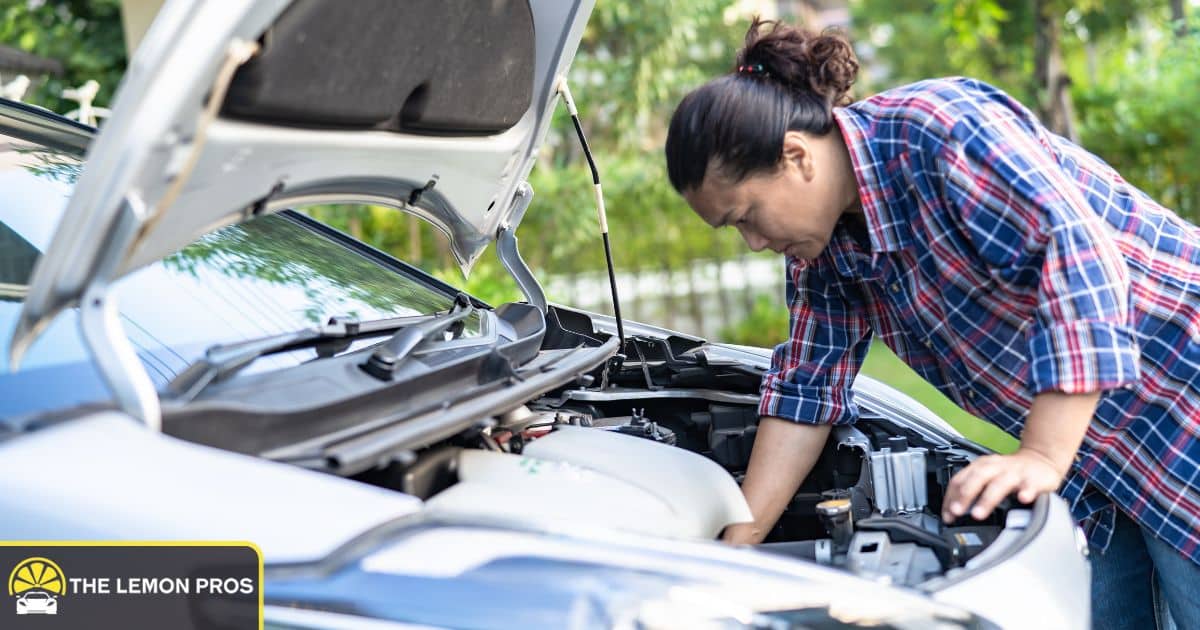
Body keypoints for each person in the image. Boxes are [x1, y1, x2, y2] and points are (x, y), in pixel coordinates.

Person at [665, 17, 1200, 630]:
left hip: (1178, 405)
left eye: (746, 216)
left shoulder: (942, 133)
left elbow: (1083, 265)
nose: (754, 242)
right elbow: (807, 391)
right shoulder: (824, 253)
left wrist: (1040, 456)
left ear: (796, 156)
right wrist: (737, 552)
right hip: (1091, 455)